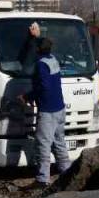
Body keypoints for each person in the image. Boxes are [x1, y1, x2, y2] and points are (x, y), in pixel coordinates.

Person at [28, 35, 70, 185]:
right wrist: (36, 37)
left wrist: (28, 97)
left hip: (48, 111)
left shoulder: (41, 64)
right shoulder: (53, 60)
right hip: (59, 108)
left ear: (38, 49)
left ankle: (42, 179)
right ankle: (68, 174)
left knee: (43, 144)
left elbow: (43, 87)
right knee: (59, 142)